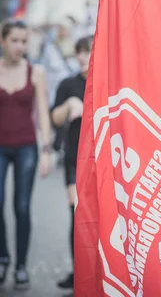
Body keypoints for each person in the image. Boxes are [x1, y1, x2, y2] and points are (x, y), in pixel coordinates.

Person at [0, 21, 52, 289]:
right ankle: (3, 257)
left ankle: (20, 265)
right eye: (15, 41)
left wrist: (46, 150)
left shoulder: (36, 72)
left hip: (26, 146)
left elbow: (42, 112)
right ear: (3, 41)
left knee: (21, 207)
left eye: (24, 41)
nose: (20, 46)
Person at [50, 35, 92, 289]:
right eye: (79, 52)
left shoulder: (108, 80)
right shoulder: (68, 84)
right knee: (76, 215)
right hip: (75, 156)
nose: (81, 57)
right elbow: (55, 118)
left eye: (87, 51)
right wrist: (69, 106)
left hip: (103, 159)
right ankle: (79, 273)